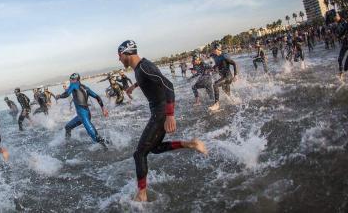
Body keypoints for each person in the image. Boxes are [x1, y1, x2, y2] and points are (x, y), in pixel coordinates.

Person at [118, 40, 207, 202]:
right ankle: (191, 144)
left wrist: (170, 115)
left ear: (126, 53)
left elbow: (168, 85)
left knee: (139, 154)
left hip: (161, 112)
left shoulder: (144, 66)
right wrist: (134, 86)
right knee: (155, 148)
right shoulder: (140, 68)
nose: (119, 59)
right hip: (158, 111)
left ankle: (142, 194)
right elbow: (150, 79)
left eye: (119, 56)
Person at [56, 73, 109, 148]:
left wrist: (59, 96)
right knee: (67, 127)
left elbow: (67, 94)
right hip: (82, 115)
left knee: (96, 138)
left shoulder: (73, 85)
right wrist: (103, 109)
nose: (70, 81)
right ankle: (67, 143)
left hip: (84, 116)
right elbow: (97, 97)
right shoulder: (85, 87)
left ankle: (108, 148)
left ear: (73, 80)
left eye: (70, 80)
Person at [208, 43, 238, 111]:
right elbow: (218, 65)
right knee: (227, 93)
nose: (212, 50)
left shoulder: (224, 56)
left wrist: (235, 75)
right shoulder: (216, 57)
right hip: (223, 77)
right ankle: (235, 102)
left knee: (215, 85)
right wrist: (212, 69)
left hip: (228, 77)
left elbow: (234, 63)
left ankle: (216, 104)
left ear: (217, 49)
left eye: (213, 49)